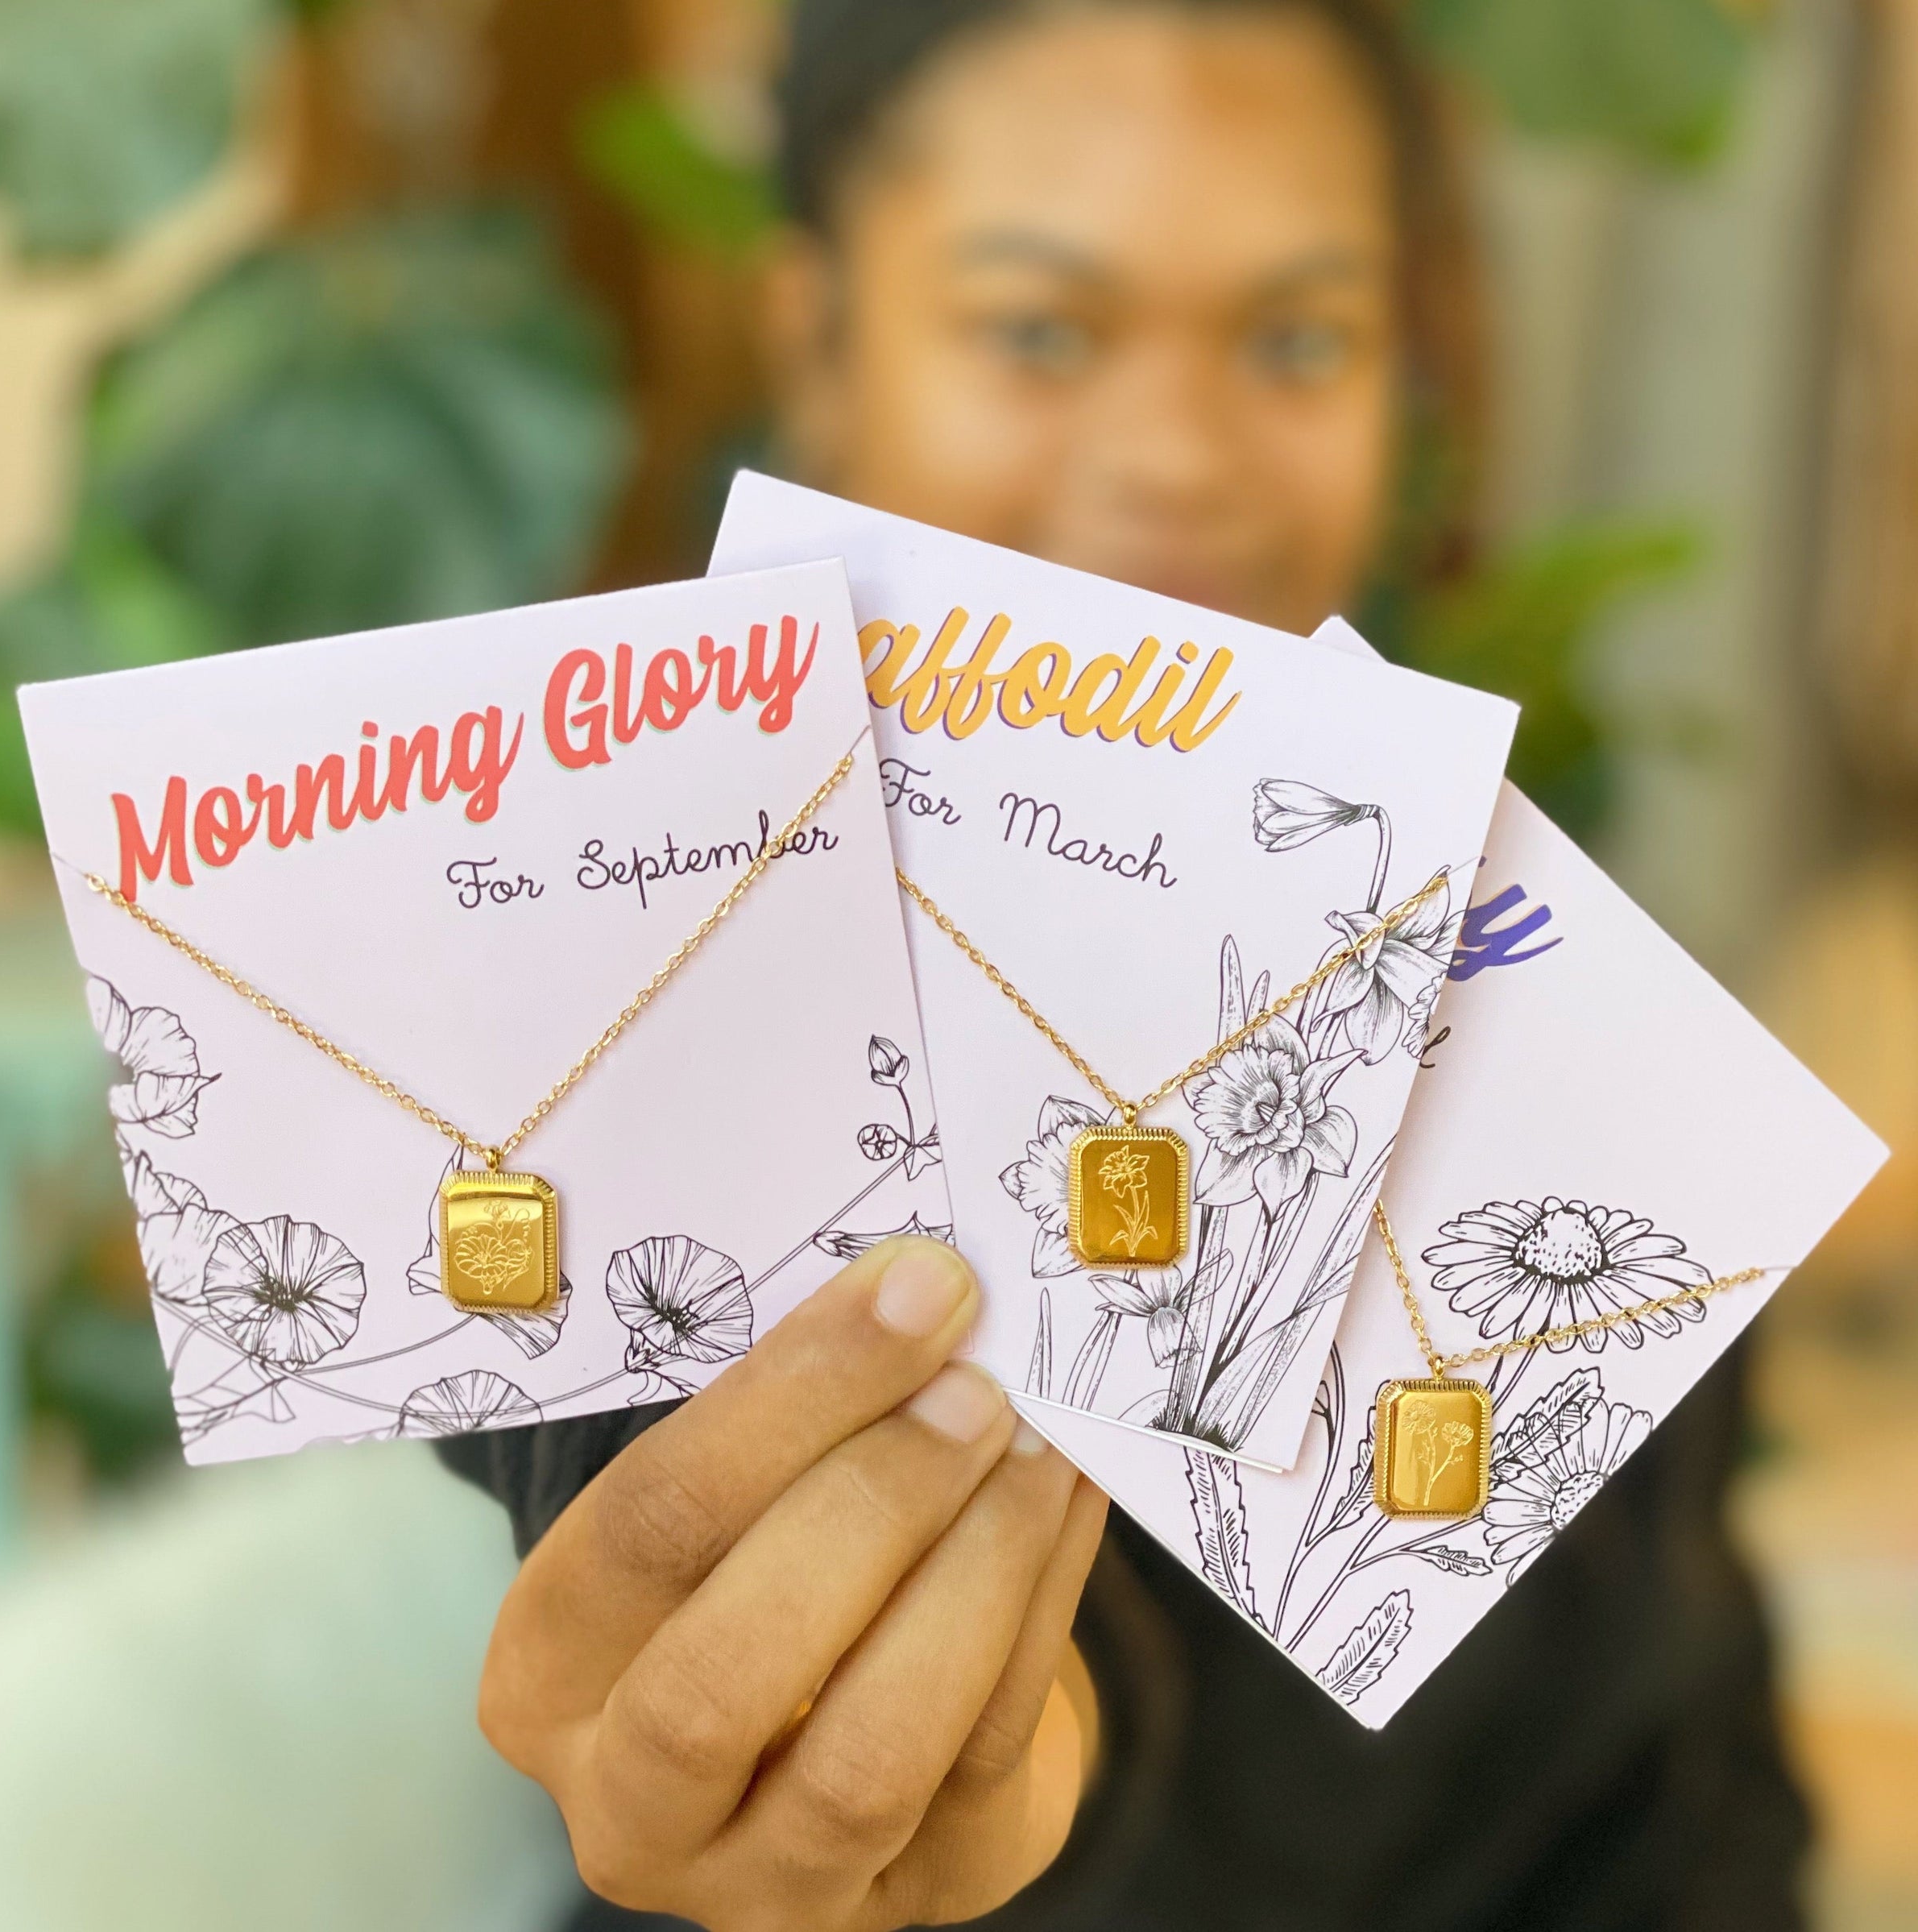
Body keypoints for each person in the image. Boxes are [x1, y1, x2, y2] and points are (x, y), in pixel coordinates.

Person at [441, 2, 1808, 1926]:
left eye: (1298, 341)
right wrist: (992, 1738)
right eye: (1038, 330)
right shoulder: (639, 953)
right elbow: (593, 1409)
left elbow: (1685, 1776)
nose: (1179, 459)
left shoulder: (1552, 1014)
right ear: (813, 344)